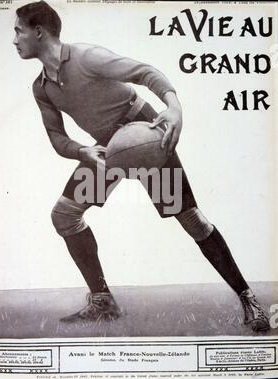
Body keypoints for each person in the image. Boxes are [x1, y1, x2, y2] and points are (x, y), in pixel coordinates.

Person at [13, 0, 270, 332]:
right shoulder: (41, 87)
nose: (14, 39)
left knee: (190, 217)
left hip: (143, 134)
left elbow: (144, 72)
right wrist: (83, 152)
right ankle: (103, 302)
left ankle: (249, 299)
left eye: (18, 31)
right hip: (108, 150)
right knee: (64, 214)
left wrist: (174, 107)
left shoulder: (86, 57)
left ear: (39, 32)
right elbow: (56, 137)